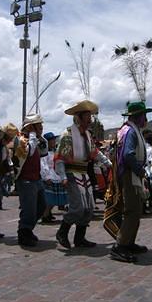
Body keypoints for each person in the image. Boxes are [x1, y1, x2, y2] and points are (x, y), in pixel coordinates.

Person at [55, 100, 111, 249]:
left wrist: (108, 163)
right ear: (78, 118)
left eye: (90, 118)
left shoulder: (87, 135)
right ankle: (62, 232)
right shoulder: (67, 136)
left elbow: (94, 152)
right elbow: (59, 158)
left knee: (89, 207)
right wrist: (63, 177)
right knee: (78, 207)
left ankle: (79, 238)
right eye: (87, 118)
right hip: (72, 173)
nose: (89, 121)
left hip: (84, 173)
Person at [109, 101, 152, 263]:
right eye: (144, 115)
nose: (146, 119)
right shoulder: (131, 132)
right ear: (138, 117)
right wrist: (140, 171)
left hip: (130, 174)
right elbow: (128, 155)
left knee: (136, 209)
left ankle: (128, 242)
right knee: (132, 210)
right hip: (129, 175)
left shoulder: (130, 130)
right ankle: (120, 245)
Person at [13, 113, 48, 247]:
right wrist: (33, 136)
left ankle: (27, 229)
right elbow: (30, 152)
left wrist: (39, 138)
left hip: (36, 178)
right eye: (38, 126)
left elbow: (43, 152)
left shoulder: (35, 139)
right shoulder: (21, 140)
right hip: (26, 179)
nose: (41, 128)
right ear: (31, 127)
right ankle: (23, 233)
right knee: (29, 209)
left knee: (41, 205)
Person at [40, 131, 68, 223]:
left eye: (54, 140)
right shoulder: (45, 153)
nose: (54, 142)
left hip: (56, 176)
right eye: (52, 140)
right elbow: (43, 165)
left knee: (53, 198)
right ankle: (45, 215)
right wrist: (46, 177)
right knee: (49, 198)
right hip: (50, 177)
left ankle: (48, 214)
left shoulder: (54, 151)